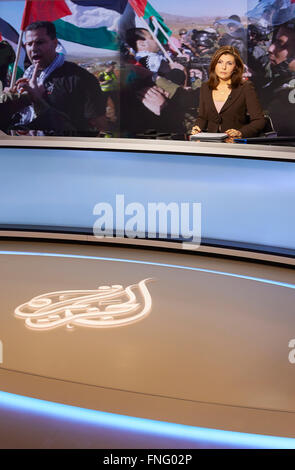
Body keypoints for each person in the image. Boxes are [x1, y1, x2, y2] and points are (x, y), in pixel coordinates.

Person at [8, 21, 107, 136]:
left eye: (40, 42)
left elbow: (98, 125)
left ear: (55, 43)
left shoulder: (80, 78)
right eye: (29, 44)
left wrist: (38, 100)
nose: (33, 48)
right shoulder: (25, 78)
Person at [191, 45, 265, 139]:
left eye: (229, 63)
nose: (224, 67)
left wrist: (241, 133)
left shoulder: (245, 87)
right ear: (214, 65)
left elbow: (259, 120)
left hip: (235, 144)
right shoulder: (206, 87)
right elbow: (202, 117)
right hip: (210, 143)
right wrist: (198, 127)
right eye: (220, 62)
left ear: (235, 67)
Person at [260, 21, 295, 135]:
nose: (270, 48)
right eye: (274, 41)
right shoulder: (282, 79)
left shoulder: (289, 92)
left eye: (281, 44)